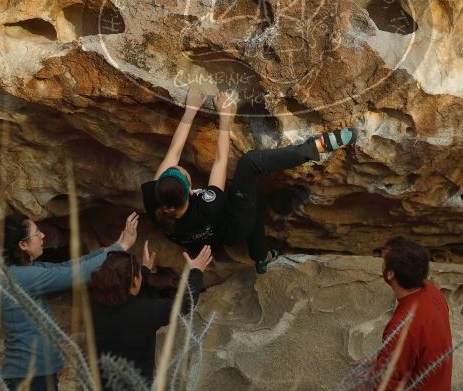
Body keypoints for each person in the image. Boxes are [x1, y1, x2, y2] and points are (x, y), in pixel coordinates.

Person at [141, 87, 356, 273]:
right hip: (234, 227)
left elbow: (174, 151)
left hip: (206, 238)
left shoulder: (157, 201)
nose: (178, 166)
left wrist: (190, 110)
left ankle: (261, 258)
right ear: (190, 191)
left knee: (256, 204)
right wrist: (225, 116)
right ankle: (315, 147)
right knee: (249, 163)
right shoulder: (208, 204)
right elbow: (220, 161)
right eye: (183, 173)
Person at [0, 212, 138, 391]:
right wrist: (122, 247)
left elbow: (67, 267)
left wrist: (114, 247)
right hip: (30, 377)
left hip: (33, 374)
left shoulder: (20, 271)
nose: (42, 236)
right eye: (37, 233)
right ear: (23, 245)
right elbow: (74, 275)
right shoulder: (21, 277)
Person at [90, 241, 212, 391]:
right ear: (135, 281)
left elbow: (125, 299)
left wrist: (144, 272)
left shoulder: (95, 307)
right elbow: (186, 303)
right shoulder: (148, 312)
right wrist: (196, 271)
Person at [370, 237, 452, 391]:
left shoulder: (401, 328)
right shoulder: (433, 293)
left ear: (391, 274)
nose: (381, 264)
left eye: (384, 261)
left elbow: (384, 388)